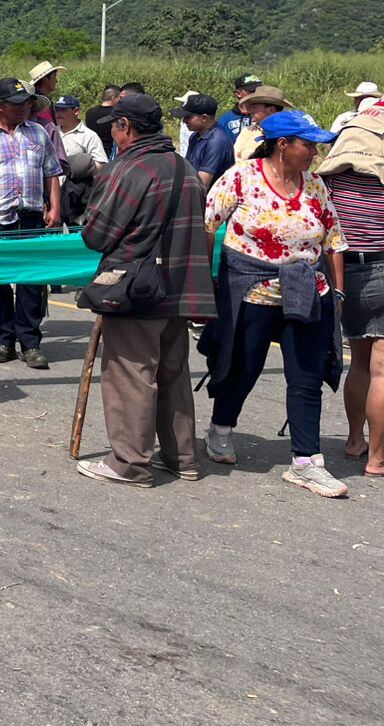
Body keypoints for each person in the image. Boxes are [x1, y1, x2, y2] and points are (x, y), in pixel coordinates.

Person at [201, 112, 348, 498]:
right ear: (283, 144)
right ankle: (219, 429)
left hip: (306, 290)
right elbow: (207, 225)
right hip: (252, 291)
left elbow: (333, 240)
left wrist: (339, 294)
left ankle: (306, 461)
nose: (314, 153)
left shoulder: (315, 185)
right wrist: (203, 283)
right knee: (242, 368)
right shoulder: (241, 178)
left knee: (306, 377)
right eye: (308, 145)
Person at [74, 94, 215, 487]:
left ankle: (130, 463)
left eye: (115, 128)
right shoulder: (184, 167)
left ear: (126, 128)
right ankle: (182, 458)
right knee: (172, 373)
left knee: (131, 374)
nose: (114, 135)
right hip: (180, 288)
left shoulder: (131, 169)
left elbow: (97, 235)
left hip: (137, 289)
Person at [0, 76, 64, 369]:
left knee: (31, 281)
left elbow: (51, 172)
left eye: (26, 103)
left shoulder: (39, 134)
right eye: (16, 104)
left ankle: (30, 343)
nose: (23, 109)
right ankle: (3, 341)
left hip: (31, 216)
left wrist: (54, 206)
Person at [315, 95, 384, 477]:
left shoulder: (331, 179)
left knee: (357, 363)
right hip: (382, 269)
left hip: (343, 274)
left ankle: (355, 439)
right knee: (382, 369)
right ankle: (377, 458)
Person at [52, 94, 107, 224]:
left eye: (64, 110)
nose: (59, 113)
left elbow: (102, 165)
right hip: (54, 195)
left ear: (76, 111)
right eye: (57, 109)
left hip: (77, 198)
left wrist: (80, 166)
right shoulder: (51, 132)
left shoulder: (89, 136)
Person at [171, 93, 233, 188]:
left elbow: (203, 183)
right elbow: (188, 168)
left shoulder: (217, 141)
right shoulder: (195, 136)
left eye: (189, 117)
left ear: (204, 117)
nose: (184, 121)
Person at [229, 84, 291, 162]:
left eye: (254, 108)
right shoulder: (248, 131)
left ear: (271, 110)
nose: (250, 111)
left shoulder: (288, 133)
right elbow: (233, 156)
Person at [216, 73, 264, 142]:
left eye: (259, 90)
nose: (257, 94)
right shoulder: (225, 121)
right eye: (252, 91)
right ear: (238, 93)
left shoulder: (266, 115)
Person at [85, 85, 121, 155]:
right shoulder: (116, 114)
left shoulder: (90, 112)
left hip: (92, 153)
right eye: (119, 98)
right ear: (113, 98)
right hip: (109, 155)